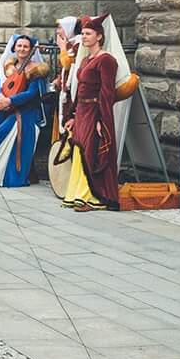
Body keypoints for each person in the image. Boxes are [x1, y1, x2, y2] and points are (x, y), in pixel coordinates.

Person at [0, 33, 50, 189]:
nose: (22, 49)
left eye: (26, 46)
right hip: (7, 109)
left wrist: (11, 100)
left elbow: (31, 93)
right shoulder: (10, 67)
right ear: (14, 47)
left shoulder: (36, 71)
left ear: (31, 49)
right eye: (19, 45)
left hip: (26, 113)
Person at [58, 13, 120, 211]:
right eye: (83, 33)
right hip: (83, 111)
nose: (83, 37)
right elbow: (79, 91)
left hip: (95, 110)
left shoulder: (106, 60)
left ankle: (92, 197)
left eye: (88, 33)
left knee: (91, 150)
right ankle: (77, 193)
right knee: (80, 150)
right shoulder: (85, 60)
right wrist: (73, 116)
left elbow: (107, 92)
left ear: (99, 36)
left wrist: (102, 119)